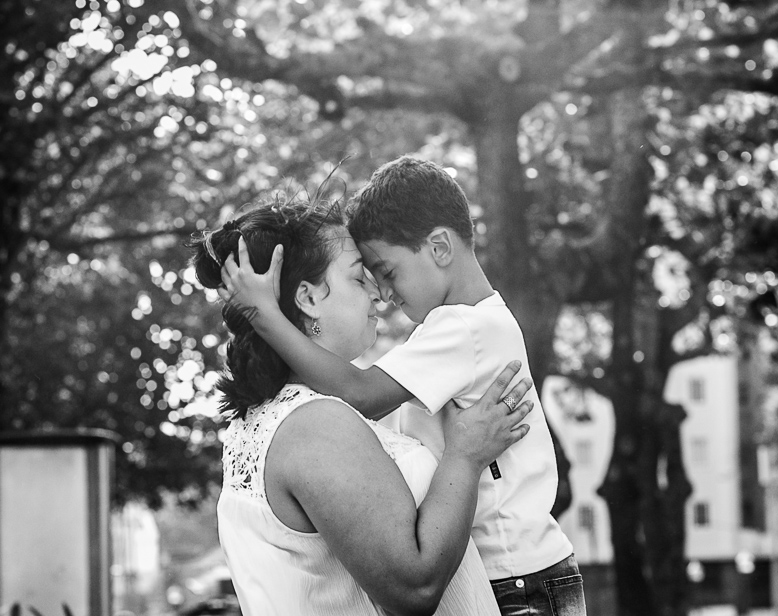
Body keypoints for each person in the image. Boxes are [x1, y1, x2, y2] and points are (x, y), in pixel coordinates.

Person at [220, 156, 588, 616]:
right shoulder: (447, 332)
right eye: (365, 277)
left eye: (387, 273)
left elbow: (360, 394)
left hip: (518, 575)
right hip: (510, 573)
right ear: (308, 299)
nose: (384, 293)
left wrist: (267, 318)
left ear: (438, 248)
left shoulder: (465, 329)